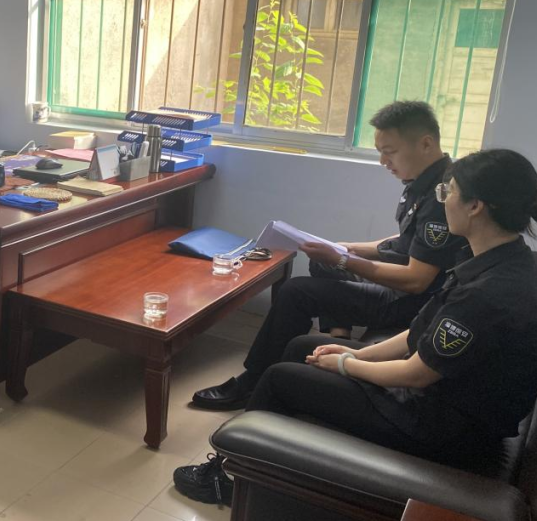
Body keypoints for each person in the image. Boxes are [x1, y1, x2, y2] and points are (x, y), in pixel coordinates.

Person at [175, 148, 537, 505]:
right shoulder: (494, 260)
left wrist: (347, 365)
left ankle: (229, 479)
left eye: (448, 192)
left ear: (475, 206)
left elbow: (415, 374)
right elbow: (418, 333)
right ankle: (273, 464)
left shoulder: (490, 294)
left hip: (442, 428)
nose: (443, 199)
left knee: (280, 379)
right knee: (300, 347)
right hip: (441, 397)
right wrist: (358, 354)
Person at [192, 101, 470, 411]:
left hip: (412, 302)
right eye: (380, 152)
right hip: (407, 284)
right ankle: (339, 336)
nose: (383, 161)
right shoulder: (422, 181)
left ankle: (253, 380)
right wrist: (348, 248)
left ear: (426, 144)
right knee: (323, 262)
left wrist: (342, 259)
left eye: (389, 152)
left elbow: (417, 280)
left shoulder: (441, 196)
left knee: (296, 292)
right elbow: (408, 241)